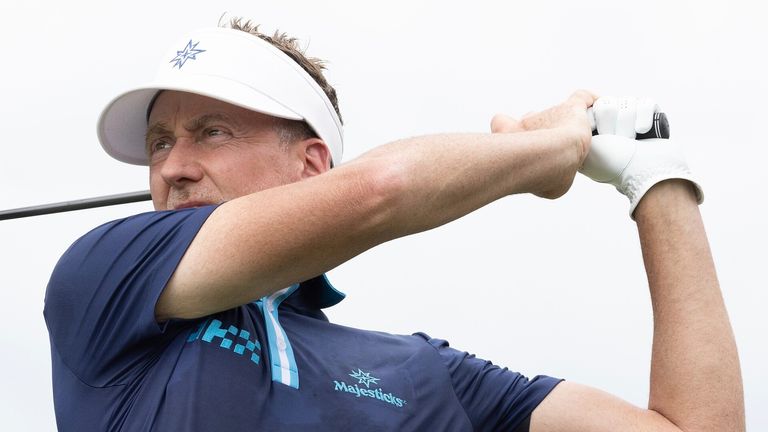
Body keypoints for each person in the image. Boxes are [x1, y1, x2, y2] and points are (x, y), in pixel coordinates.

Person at [43, 18, 745, 432]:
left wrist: (656, 180)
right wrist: (553, 148)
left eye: (213, 132)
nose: (175, 167)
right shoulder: (104, 276)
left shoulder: (418, 371)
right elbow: (383, 189)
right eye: (160, 143)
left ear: (312, 164)